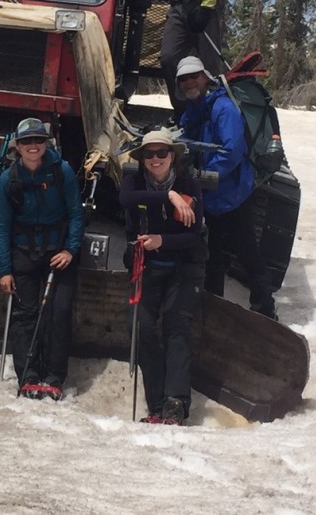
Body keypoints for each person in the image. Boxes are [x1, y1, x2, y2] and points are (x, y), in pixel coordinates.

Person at [176, 55, 277, 319]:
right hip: (212, 197)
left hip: (233, 195)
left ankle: (265, 310)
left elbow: (233, 151)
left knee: (247, 253)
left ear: (205, 77)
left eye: (193, 76)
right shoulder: (195, 110)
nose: (189, 83)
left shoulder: (223, 108)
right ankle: (212, 309)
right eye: (183, 79)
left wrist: (203, 176)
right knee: (213, 255)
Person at [119, 128, 207, 425]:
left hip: (183, 268)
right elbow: (127, 199)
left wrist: (162, 241)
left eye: (162, 153)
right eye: (149, 154)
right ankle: (156, 402)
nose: (155, 159)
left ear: (173, 157)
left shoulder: (190, 185)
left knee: (176, 326)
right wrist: (168, 196)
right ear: (142, 159)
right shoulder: (133, 182)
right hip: (148, 267)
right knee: (140, 327)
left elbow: (194, 236)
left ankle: (175, 404)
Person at [0, 118, 84, 400]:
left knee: (59, 313)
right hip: (24, 253)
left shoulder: (62, 172)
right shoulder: (10, 179)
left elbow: (76, 214)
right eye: (27, 142)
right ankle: (28, 375)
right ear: (17, 146)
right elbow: (1, 225)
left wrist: (70, 250)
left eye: (39, 141)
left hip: (58, 253)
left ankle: (55, 376)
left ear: (46, 143)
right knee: (25, 315)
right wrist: (5, 270)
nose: (34, 147)